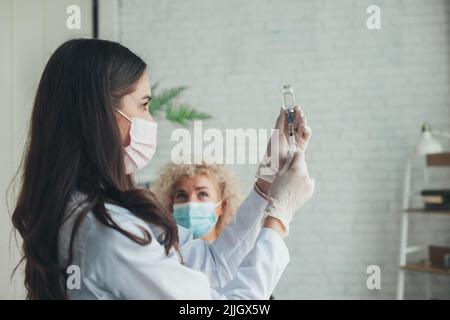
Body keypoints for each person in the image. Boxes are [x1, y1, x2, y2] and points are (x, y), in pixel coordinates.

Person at [11, 38, 315, 299]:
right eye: (143, 105)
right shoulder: (108, 233)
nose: (151, 120)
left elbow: (213, 264)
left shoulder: (93, 212)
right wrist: (278, 217)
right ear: (100, 113)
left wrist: (266, 185)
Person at [152, 161, 242, 242]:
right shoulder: (160, 253)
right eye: (182, 195)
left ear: (222, 206)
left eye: (202, 194)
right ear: (171, 205)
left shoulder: (234, 252)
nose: (191, 202)